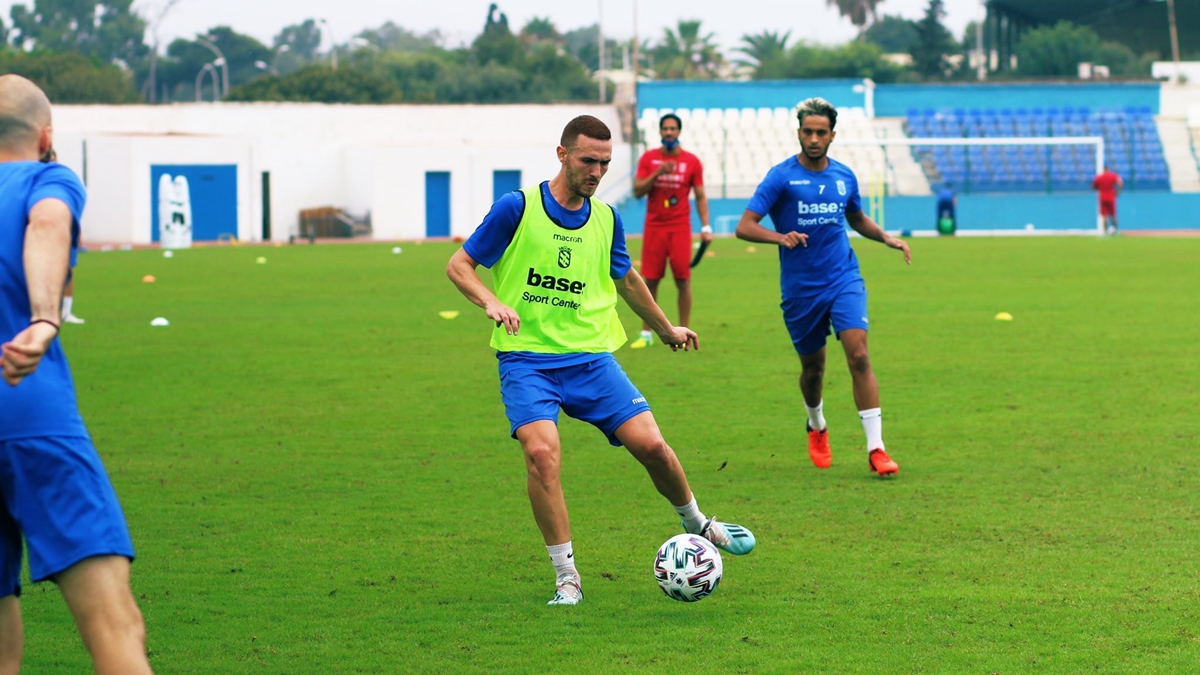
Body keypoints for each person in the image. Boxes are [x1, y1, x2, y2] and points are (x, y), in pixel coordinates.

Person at [447, 115, 755, 606]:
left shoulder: (607, 218)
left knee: (653, 446)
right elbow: (459, 265)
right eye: (588, 160)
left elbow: (628, 280)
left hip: (592, 360)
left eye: (605, 163)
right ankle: (566, 575)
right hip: (528, 361)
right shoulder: (516, 208)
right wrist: (491, 301)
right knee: (541, 455)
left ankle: (698, 522)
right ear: (562, 154)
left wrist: (666, 328)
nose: (597, 171)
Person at [0, 74, 153, 675]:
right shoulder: (46, 178)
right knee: (114, 625)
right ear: (45, 137)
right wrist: (43, 318)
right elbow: (46, 225)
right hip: (27, 406)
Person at [735, 97, 911, 477]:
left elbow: (857, 217)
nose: (814, 138)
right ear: (799, 133)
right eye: (807, 132)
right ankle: (816, 423)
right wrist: (780, 237)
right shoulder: (781, 177)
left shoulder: (844, 176)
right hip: (801, 289)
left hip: (843, 277)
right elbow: (744, 226)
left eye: (821, 132)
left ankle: (877, 449)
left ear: (832, 134)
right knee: (813, 371)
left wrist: (887, 238)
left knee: (859, 356)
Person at [629, 113, 712, 349]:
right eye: (665, 129)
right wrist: (658, 172)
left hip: (679, 228)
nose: (669, 132)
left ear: (679, 131)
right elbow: (637, 191)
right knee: (650, 280)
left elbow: (701, 195)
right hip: (654, 227)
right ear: (660, 132)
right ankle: (646, 334)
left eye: (673, 129)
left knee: (683, 280)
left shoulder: (692, 161)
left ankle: (684, 331)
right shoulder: (649, 158)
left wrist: (706, 226)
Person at [42, 150, 85, 324]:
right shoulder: (37, 179)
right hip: (44, 232)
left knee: (67, 271)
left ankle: (66, 312)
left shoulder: (60, 178)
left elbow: (70, 208)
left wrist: (78, 232)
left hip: (63, 231)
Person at [1092, 165, 1123, 235]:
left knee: (1104, 215)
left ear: (1103, 170)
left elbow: (1093, 187)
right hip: (1111, 197)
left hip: (1102, 197)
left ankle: (1105, 231)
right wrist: (1118, 192)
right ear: (1108, 169)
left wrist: (1099, 188)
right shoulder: (1112, 176)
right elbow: (1120, 182)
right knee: (1113, 215)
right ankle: (1115, 230)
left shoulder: (1099, 177)